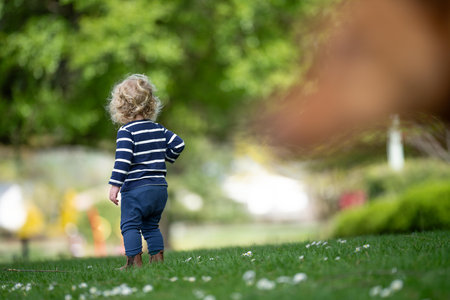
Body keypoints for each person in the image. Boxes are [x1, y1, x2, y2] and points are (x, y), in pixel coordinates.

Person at [107, 74, 185, 270]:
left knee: (130, 226)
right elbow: (179, 144)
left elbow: (122, 161)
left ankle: (134, 263)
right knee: (151, 226)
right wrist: (163, 155)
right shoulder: (158, 128)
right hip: (159, 189)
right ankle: (158, 260)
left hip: (136, 190)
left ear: (121, 105)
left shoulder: (127, 131)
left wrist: (115, 185)